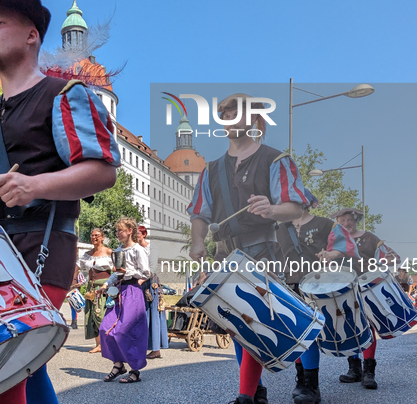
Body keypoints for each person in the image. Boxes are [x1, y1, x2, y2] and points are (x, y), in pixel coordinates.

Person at [0, 0, 120, 404]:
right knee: (25, 366)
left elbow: (103, 170)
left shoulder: (66, 94)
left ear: (32, 35)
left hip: (40, 249)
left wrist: (34, 185)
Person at [188, 94, 308, 404]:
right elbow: (199, 213)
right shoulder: (210, 169)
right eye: (224, 111)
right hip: (224, 257)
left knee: (255, 321)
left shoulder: (276, 159)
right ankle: (255, 390)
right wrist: (197, 242)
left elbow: (295, 207)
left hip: (262, 252)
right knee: (236, 322)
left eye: (235, 110)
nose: (228, 114)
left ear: (253, 118)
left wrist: (271, 209)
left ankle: (248, 395)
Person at [277, 190, 360, 404]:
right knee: (296, 333)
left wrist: (333, 254)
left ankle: (311, 386)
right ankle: (301, 381)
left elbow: (348, 246)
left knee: (309, 333)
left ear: (307, 203)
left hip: (317, 285)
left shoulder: (326, 225)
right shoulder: (279, 228)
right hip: (289, 285)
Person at [332, 208, 395, 390]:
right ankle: (354, 369)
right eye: (341, 220)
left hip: (366, 287)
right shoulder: (336, 240)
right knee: (349, 328)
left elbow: (390, 257)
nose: (346, 223)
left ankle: (369, 372)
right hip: (344, 288)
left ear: (355, 220)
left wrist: (385, 261)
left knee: (368, 327)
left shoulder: (370, 238)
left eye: (349, 220)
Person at [98, 217, 150, 384]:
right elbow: (117, 273)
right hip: (119, 291)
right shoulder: (118, 249)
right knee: (105, 328)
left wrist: (127, 272)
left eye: (120, 230)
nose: (117, 233)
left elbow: (145, 273)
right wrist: (106, 284)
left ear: (130, 231)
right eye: (117, 230)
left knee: (127, 330)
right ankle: (118, 365)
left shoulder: (137, 250)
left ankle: (135, 370)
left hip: (133, 291)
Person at [75, 228, 114, 352]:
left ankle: (107, 343)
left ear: (102, 237)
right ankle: (98, 344)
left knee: (101, 315)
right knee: (91, 315)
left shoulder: (108, 252)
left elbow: (117, 270)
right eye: (92, 235)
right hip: (90, 286)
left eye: (97, 235)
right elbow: (78, 268)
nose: (94, 237)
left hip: (103, 286)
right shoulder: (87, 254)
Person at [137, 225, 168, 359]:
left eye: (137, 234)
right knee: (140, 317)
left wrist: (142, 280)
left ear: (144, 234)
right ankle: (142, 346)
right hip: (138, 282)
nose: (135, 237)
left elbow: (153, 268)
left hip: (149, 284)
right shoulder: (135, 249)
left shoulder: (151, 248)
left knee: (153, 316)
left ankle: (156, 349)